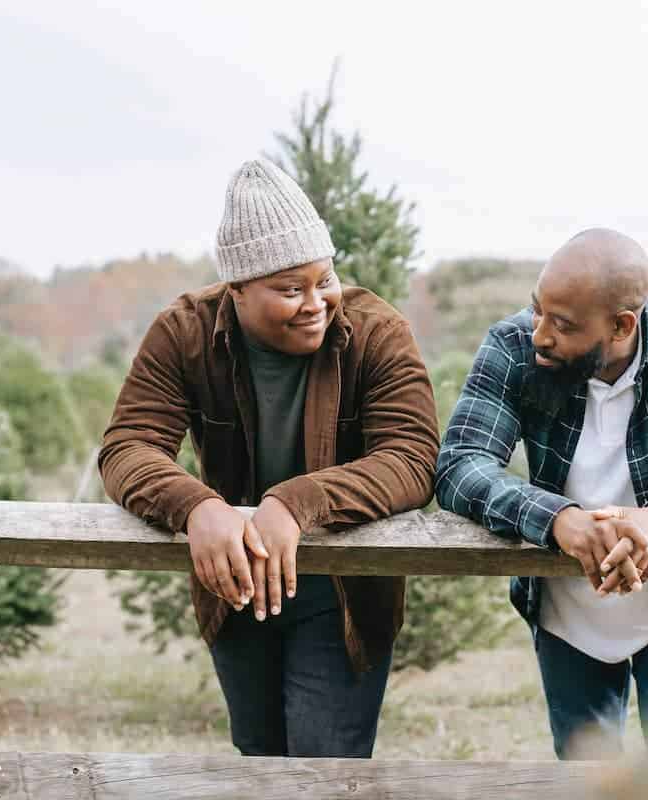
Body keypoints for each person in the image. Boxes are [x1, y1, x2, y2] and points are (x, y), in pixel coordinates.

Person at [99, 159, 439, 757]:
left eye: (325, 279)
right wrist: (197, 508)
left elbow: (412, 457)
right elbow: (128, 445)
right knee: (258, 762)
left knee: (323, 769)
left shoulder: (377, 331)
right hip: (234, 584)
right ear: (236, 291)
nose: (316, 303)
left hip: (344, 594)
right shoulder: (184, 332)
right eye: (289, 288)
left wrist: (296, 502)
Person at [435, 228, 648, 759]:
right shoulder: (512, 346)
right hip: (566, 611)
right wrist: (558, 520)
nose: (540, 334)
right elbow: (459, 465)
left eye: (563, 324)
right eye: (537, 311)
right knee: (585, 778)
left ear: (621, 326)